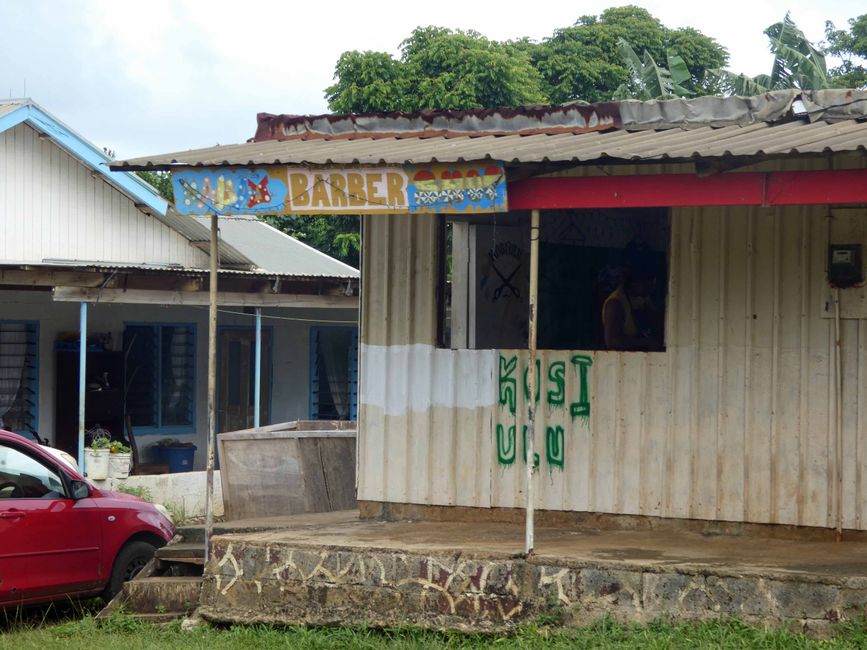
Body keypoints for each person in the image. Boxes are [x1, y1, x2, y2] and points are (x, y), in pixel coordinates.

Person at [602, 255, 661, 351]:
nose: (651, 289)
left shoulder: (644, 298)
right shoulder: (615, 303)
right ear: (636, 283)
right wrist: (645, 342)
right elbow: (612, 342)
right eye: (648, 285)